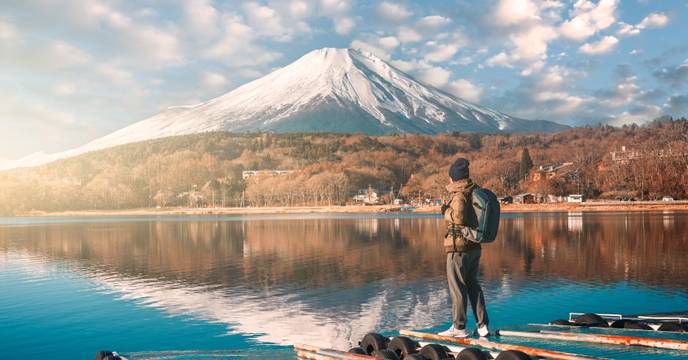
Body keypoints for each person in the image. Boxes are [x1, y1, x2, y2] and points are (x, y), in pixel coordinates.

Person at [438, 157, 490, 338]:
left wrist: (445, 211)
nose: (449, 180)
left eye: (450, 177)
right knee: (473, 285)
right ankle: (483, 326)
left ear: (454, 178)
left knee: (457, 287)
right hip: (474, 247)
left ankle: (459, 328)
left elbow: (458, 217)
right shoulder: (473, 191)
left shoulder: (459, 193)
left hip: (458, 248)